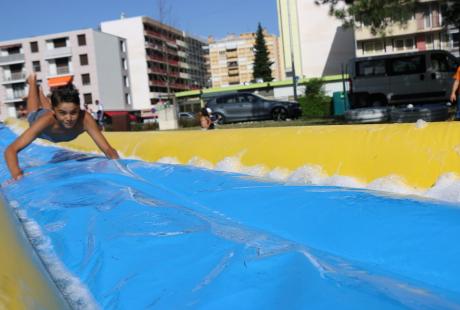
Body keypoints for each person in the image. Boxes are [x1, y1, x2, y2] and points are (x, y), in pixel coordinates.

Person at [4, 73, 119, 181]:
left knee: (53, 108)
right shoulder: (44, 122)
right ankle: (33, 82)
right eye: (63, 113)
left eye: (74, 112)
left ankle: (40, 91)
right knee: (33, 113)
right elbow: (10, 150)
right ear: (54, 112)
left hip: (52, 112)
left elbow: (108, 150)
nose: (69, 118)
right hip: (39, 118)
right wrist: (17, 176)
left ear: (79, 108)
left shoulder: (85, 119)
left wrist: (118, 167)